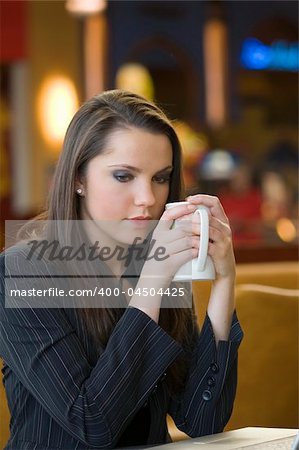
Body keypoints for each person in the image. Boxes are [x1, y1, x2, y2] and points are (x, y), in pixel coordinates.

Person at [0, 90, 243, 449]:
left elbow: (201, 420)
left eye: (161, 178)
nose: (147, 197)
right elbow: (92, 423)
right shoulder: (20, 271)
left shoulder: (157, 263)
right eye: (123, 176)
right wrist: (153, 283)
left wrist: (225, 280)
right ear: (79, 178)